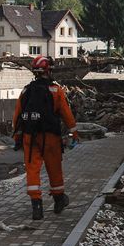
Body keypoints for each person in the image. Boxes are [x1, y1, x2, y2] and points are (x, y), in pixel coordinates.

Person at [13, 55, 78, 221]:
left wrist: (17, 136)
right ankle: (58, 200)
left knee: (32, 169)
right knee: (54, 167)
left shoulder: (26, 90)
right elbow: (66, 113)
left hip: (30, 135)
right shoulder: (56, 90)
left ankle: (36, 206)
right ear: (48, 70)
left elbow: (18, 115)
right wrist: (74, 132)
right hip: (50, 136)